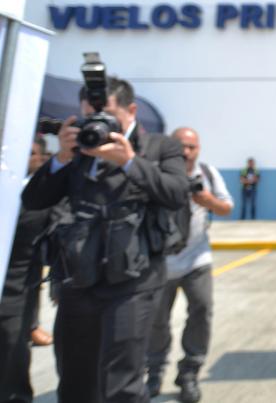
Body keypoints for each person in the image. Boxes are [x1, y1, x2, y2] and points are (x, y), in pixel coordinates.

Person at [21, 76, 189, 402]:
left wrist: (129, 162)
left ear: (131, 111)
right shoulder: (78, 150)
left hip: (133, 279)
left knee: (122, 382)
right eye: (89, 117)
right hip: (77, 279)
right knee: (74, 378)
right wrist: (61, 158)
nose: (97, 125)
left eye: (107, 116)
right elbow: (34, 199)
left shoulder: (160, 146)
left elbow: (176, 194)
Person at [147, 127, 233, 403]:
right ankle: (154, 372)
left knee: (202, 310)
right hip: (160, 262)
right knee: (156, 321)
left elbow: (226, 207)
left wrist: (208, 201)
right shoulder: (155, 172)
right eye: (180, 145)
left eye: (191, 147)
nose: (185, 152)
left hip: (197, 258)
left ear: (199, 149)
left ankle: (189, 373)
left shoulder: (207, 174)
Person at [0, 139, 51, 402]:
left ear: (40, 158)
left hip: (17, 288)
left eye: (30, 153)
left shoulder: (44, 196)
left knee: (12, 352)